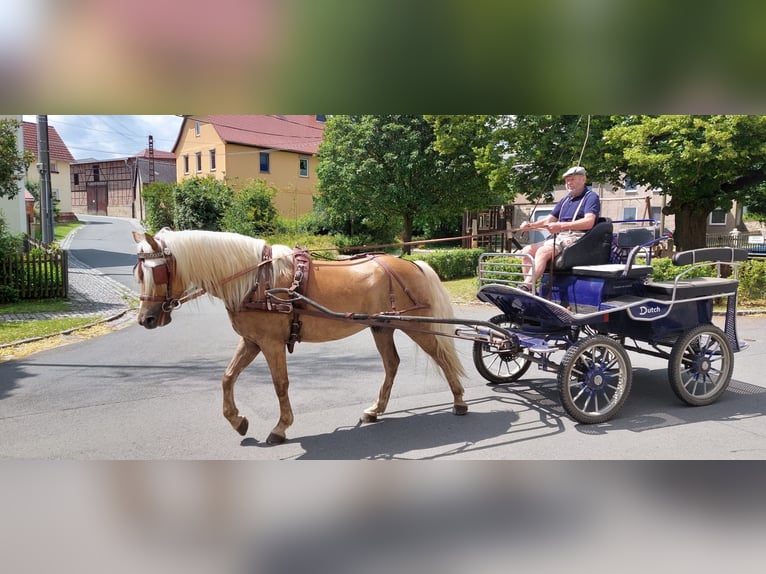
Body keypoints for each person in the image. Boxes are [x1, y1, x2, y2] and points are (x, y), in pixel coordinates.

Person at [517, 165, 601, 292]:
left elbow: (589, 222)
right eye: (567, 180)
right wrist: (530, 226)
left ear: (583, 179)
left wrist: (561, 226)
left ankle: (525, 287)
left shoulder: (591, 197)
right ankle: (530, 290)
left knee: (542, 251)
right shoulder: (565, 200)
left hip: (577, 238)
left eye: (572, 179)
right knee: (527, 251)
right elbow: (549, 220)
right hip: (561, 236)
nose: (569, 183)